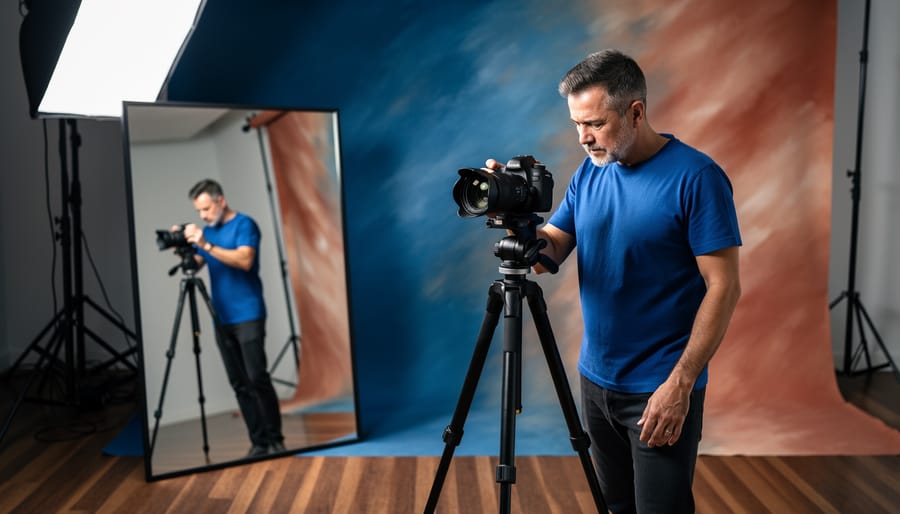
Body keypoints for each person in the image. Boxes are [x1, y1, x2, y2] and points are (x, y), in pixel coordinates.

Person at [487, 50, 742, 513]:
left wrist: (679, 384)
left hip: (658, 386)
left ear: (636, 112)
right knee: (615, 508)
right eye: (577, 125)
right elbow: (551, 253)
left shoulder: (697, 178)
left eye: (596, 124)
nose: (583, 138)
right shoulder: (591, 173)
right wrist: (514, 217)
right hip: (596, 383)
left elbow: (724, 286)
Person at [180, 178, 285, 457]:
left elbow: (244, 261)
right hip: (221, 317)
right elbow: (196, 263)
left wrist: (206, 244)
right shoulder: (207, 232)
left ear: (221, 200)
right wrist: (184, 246)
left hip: (248, 313)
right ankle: (259, 442)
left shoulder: (244, 225)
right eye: (199, 212)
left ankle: (276, 437)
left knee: (256, 377)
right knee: (238, 383)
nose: (203, 216)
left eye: (206, 209)